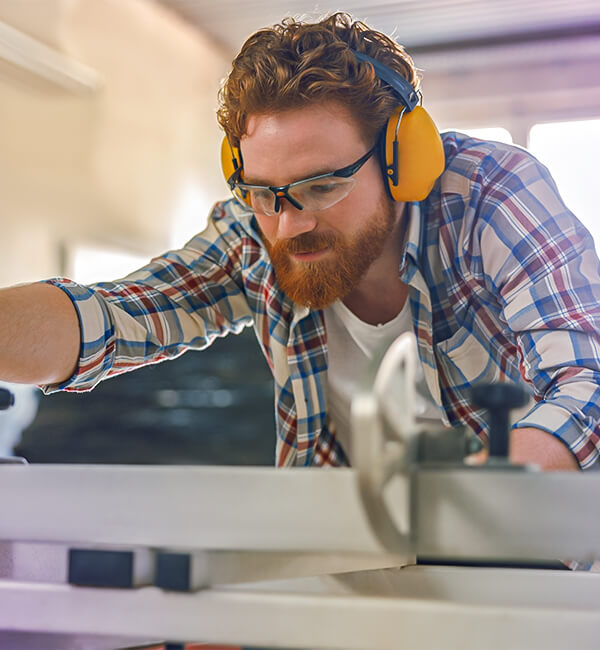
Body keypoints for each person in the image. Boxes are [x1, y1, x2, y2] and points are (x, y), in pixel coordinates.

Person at [0, 12, 598, 471]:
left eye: (322, 187)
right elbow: (121, 314)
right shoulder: (253, 232)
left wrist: (482, 502)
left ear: (403, 160)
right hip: (352, 564)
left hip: (534, 557)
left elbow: (585, 382)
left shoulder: (490, 197)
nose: (288, 226)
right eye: (264, 193)